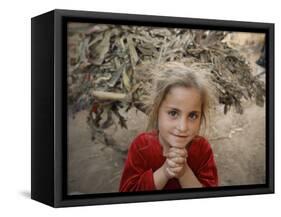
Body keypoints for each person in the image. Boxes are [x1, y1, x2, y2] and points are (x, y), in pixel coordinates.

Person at [119, 62, 218, 192]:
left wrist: (184, 172)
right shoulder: (141, 146)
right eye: (173, 113)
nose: (182, 127)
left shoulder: (202, 150)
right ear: (157, 110)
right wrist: (165, 172)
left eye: (193, 115)